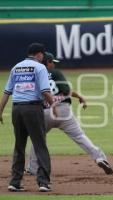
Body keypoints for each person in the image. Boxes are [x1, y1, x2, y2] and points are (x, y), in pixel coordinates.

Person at [25, 52, 113, 175]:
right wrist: (80, 96)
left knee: (38, 140)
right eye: (52, 63)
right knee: (79, 136)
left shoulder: (35, 74)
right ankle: (99, 158)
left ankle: (32, 168)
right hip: (63, 111)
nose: (54, 65)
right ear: (48, 62)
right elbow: (66, 90)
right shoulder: (56, 73)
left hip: (44, 112)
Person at [0, 43, 54, 192]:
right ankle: (43, 182)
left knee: (19, 145)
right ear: (39, 54)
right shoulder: (40, 67)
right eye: (43, 55)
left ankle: (15, 182)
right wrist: (53, 105)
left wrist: (0, 111)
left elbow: (6, 92)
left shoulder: (16, 67)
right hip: (33, 109)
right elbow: (45, 91)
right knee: (39, 145)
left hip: (16, 109)